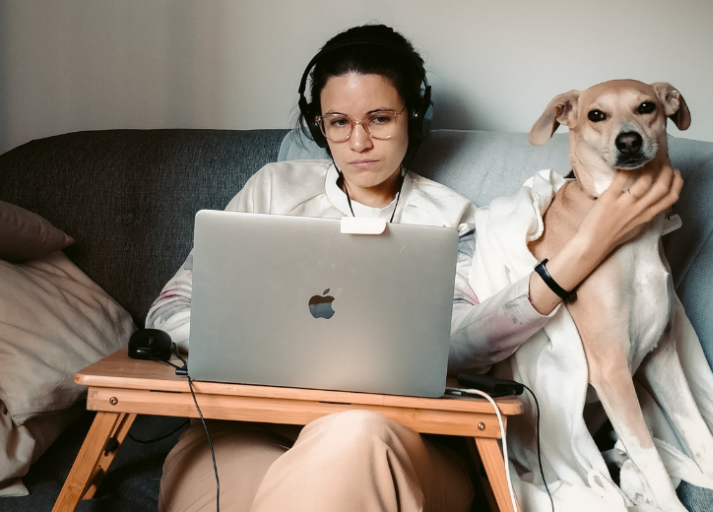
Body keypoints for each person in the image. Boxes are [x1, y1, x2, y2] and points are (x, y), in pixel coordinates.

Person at [145, 24, 682, 512]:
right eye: (338, 122)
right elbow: (169, 309)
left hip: (397, 439)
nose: (358, 142)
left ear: (413, 116)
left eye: (380, 119)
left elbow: (465, 344)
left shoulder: (453, 219)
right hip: (243, 431)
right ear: (319, 124)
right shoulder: (271, 189)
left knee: (350, 438)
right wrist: (257, 344)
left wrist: (576, 257)